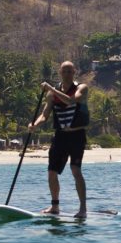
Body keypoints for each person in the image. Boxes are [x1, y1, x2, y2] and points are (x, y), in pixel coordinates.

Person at [28, 61, 89, 218]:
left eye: (70, 71)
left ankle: (82, 208)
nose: (67, 74)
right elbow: (45, 115)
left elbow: (70, 100)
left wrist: (51, 89)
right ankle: (55, 206)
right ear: (60, 72)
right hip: (60, 136)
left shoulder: (81, 88)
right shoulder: (51, 94)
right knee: (51, 172)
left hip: (76, 135)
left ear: (74, 72)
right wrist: (34, 124)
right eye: (64, 71)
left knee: (75, 170)